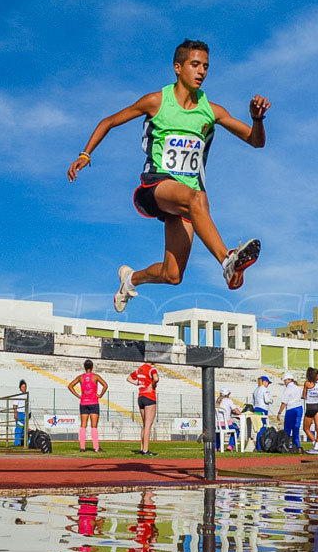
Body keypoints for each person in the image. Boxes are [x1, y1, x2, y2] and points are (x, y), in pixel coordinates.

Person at [67, 39, 271, 312]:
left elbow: (256, 142)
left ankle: (131, 279)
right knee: (198, 199)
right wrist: (85, 155)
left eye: (206, 67)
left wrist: (257, 120)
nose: (201, 72)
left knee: (173, 275)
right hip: (157, 185)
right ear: (178, 67)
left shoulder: (212, 111)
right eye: (195, 65)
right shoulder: (157, 101)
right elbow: (110, 121)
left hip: (186, 200)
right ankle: (228, 261)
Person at [68, 360, 108, 453]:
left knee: (83, 425)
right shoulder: (95, 376)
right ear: (92, 367)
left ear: (84, 367)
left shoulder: (81, 377)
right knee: (94, 426)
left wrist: (78, 395)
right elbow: (105, 385)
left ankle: (82, 447)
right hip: (93, 402)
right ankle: (96, 447)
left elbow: (70, 386)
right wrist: (100, 395)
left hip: (83, 403)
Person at [129, 362, 159, 456]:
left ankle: (142, 448)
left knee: (144, 425)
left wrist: (138, 383)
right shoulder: (151, 369)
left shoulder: (139, 369)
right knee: (148, 425)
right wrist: (152, 384)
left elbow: (129, 378)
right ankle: (146, 450)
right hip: (149, 397)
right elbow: (156, 379)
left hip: (141, 397)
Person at [276, 373, 304, 450]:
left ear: (288, 380)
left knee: (287, 428)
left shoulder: (288, 389)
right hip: (299, 408)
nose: (284, 382)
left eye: (285, 381)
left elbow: (284, 402)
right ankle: (297, 445)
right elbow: (303, 396)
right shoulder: (299, 388)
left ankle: (286, 445)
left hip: (291, 409)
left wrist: (279, 413)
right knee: (296, 428)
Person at [301, 367, 318, 453]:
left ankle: (315, 444)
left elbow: (304, 396)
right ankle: (317, 446)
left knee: (306, 428)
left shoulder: (307, 383)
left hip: (310, 406)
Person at [12, 379, 28, 446]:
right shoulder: (18, 395)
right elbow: (15, 405)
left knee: (24, 429)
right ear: (20, 387)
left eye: (25, 387)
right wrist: (15, 413)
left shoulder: (27, 395)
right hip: (20, 414)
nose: (24, 388)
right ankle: (17, 443)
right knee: (19, 428)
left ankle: (22, 442)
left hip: (25, 414)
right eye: (22, 387)